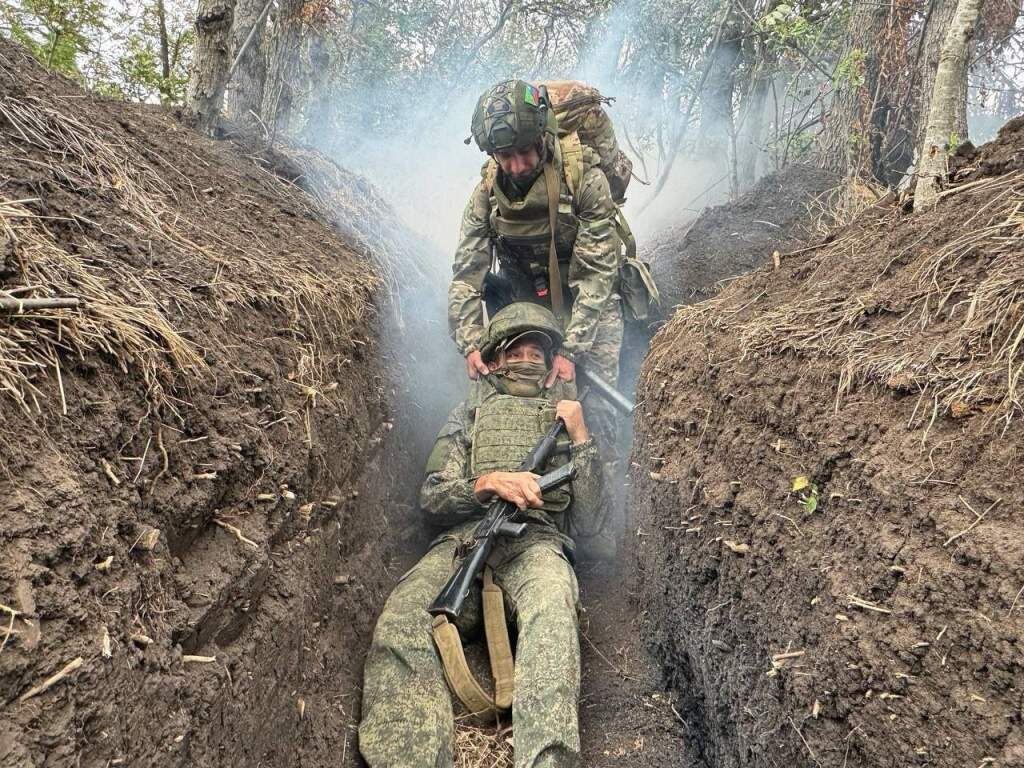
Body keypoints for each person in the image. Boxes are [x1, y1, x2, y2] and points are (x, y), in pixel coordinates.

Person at [359, 303, 609, 768]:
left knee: (552, 610)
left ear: (551, 365)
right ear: (494, 361)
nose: (527, 359)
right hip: (463, 541)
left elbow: (593, 525)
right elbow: (432, 497)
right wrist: (486, 483)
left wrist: (581, 439)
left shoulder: (567, 420)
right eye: (516, 351)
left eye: (537, 351)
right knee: (400, 623)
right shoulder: (468, 416)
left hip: (535, 542)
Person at [448, 79, 624, 467]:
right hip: (526, 300)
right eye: (504, 156)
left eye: (524, 152)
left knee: (597, 409)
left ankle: (604, 480)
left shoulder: (585, 180)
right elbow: (467, 273)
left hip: (587, 299)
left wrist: (571, 350)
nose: (516, 166)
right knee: (509, 391)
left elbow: (596, 275)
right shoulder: (487, 193)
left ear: (542, 137)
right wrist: (471, 343)